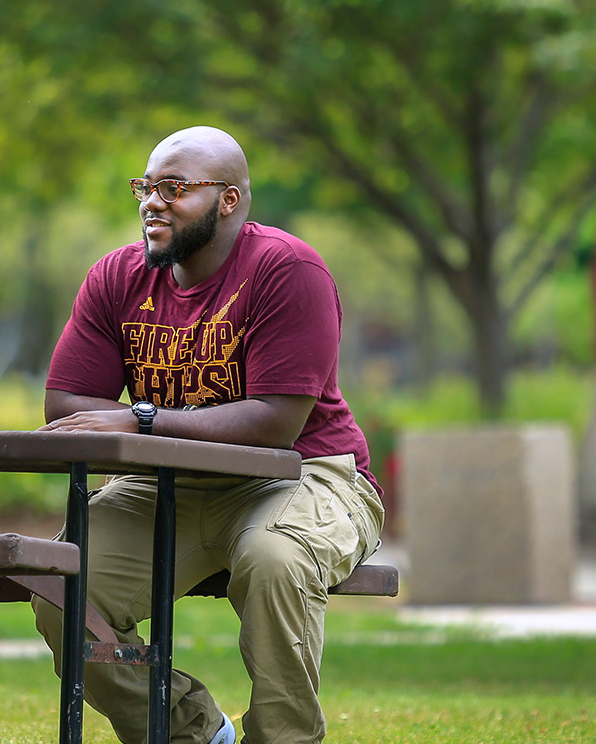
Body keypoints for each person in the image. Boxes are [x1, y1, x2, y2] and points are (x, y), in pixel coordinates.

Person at [35, 126, 385, 744]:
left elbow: (276, 422)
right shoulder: (118, 277)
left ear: (228, 199)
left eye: (174, 188)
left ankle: (284, 738)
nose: (152, 202)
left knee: (275, 559)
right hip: (165, 484)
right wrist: (145, 429)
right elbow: (66, 404)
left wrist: (138, 418)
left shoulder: (285, 268)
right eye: (146, 187)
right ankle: (190, 730)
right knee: (65, 584)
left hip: (300, 475)